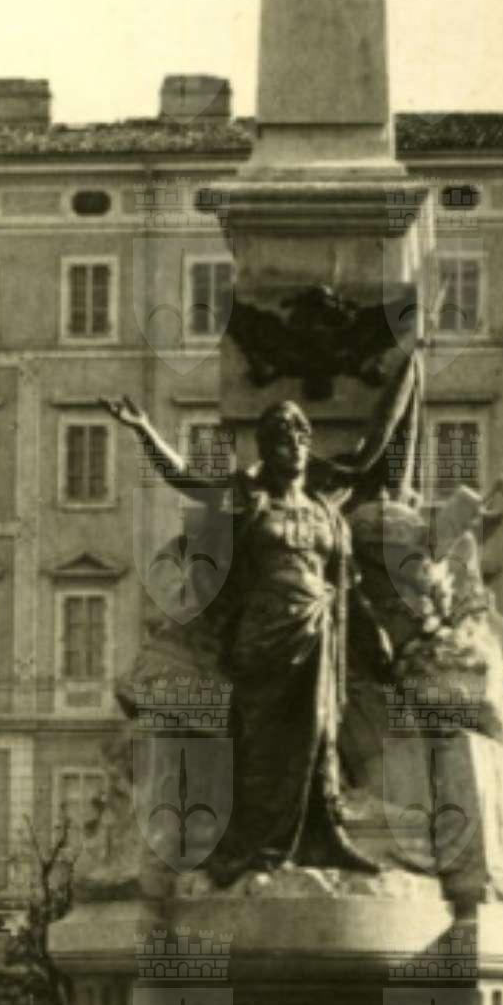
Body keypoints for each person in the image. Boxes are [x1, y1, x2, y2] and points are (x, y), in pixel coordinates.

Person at [102, 356, 417, 885]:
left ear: (308, 447)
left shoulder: (325, 512)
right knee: (260, 743)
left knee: (319, 734)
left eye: (299, 436)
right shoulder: (248, 500)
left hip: (317, 633)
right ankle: (253, 845)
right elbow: (188, 479)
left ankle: (323, 835)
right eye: (279, 437)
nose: (291, 444)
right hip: (260, 639)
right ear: (265, 448)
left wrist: (374, 637)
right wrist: (145, 431)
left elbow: (346, 585)